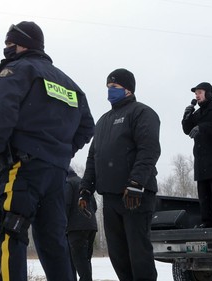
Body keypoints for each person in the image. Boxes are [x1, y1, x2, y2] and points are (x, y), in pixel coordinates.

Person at [0, 21, 94, 281]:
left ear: (24, 44)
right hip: (56, 174)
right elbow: (87, 127)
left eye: (10, 44)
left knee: (12, 231)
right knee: (54, 242)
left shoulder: (17, 71)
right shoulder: (70, 84)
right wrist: (60, 152)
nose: (6, 49)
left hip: (22, 167)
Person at [79, 69, 160, 281]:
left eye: (114, 87)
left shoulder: (142, 113)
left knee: (139, 255)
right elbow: (93, 157)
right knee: (118, 256)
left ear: (128, 89)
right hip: (110, 197)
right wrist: (85, 188)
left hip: (135, 195)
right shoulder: (103, 121)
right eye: (107, 88)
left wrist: (136, 182)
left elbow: (149, 149)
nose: (109, 92)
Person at [182, 82, 212, 228]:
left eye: (200, 92)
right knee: (203, 193)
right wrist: (187, 116)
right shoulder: (197, 114)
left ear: (208, 93)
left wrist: (201, 127)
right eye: (195, 93)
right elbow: (187, 130)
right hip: (200, 158)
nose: (197, 96)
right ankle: (207, 221)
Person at [65, 166, 97, 281]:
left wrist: (62, 224)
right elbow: (94, 206)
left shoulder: (68, 183)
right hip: (91, 226)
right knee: (86, 260)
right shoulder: (84, 185)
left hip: (76, 228)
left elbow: (66, 205)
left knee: (79, 261)